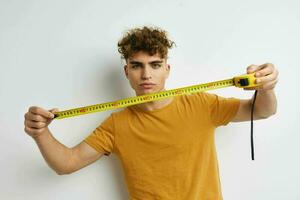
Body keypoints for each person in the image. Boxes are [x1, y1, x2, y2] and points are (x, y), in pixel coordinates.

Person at [24, 26, 278, 200]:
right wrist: (40, 133)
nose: (146, 75)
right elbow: (66, 163)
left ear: (167, 69)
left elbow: (263, 111)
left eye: (155, 65)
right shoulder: (116, 125)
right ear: (127, 72)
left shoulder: (201, 105)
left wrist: (267, 87)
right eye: (137, 66)